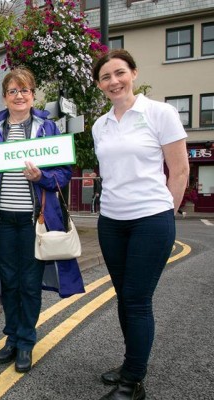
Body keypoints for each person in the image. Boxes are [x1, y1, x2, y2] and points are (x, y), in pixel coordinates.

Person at [0, 67, 84, 374]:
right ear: (5, 97)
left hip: (35, 222)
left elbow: (63, 174)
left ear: (33, 95)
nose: (19, 96)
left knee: (30, 284)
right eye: (12, 91)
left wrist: (42, 176)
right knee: (8, 282)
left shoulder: (47, 129)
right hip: (2, 221)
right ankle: (11, 336)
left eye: (24, 90)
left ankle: (26, 341)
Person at [91, 49, 189, 400]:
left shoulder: (160, 113)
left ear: (133, 73)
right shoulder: (99, 125)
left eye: (119, 73)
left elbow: (179, 170)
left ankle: (133, 382)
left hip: (151, 219)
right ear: (100, 85)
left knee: (136, 300)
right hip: (112, 221)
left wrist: (166, 212)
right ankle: (130, 363)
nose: (114, 81)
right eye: (105, 77)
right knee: (124, 298)